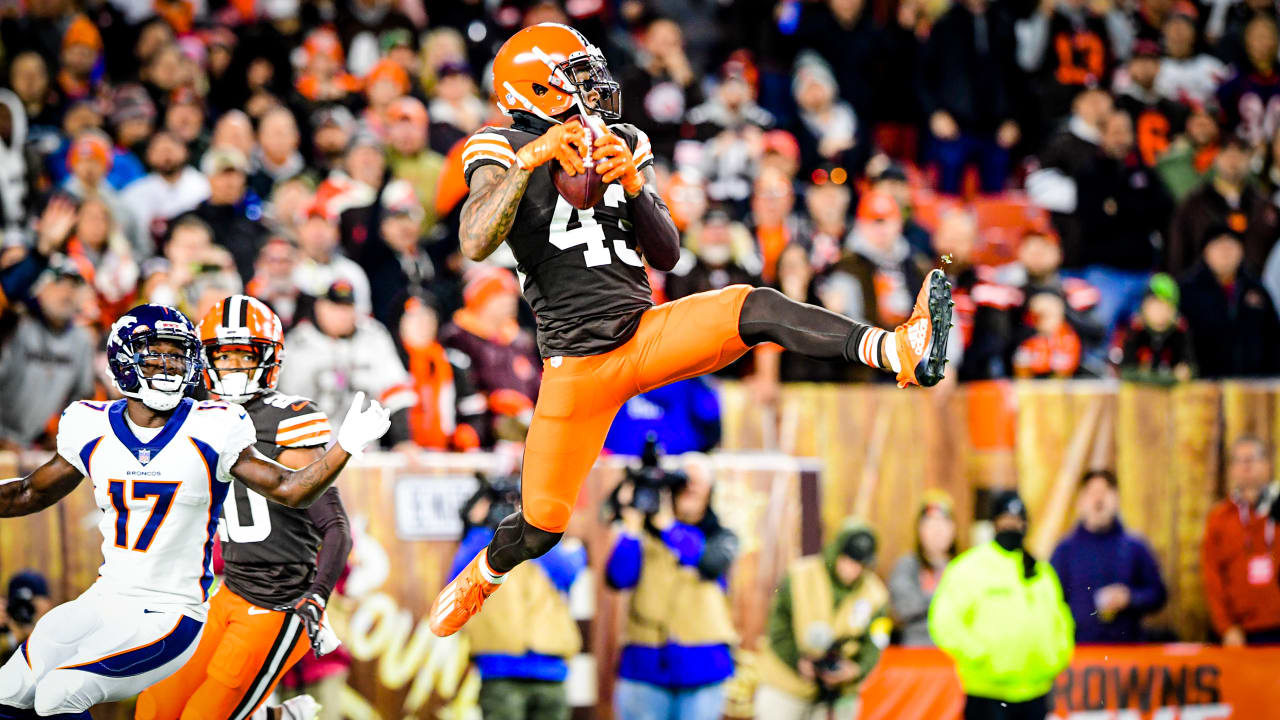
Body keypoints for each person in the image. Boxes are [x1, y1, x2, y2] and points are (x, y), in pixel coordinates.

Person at [428, 23, 953, 638]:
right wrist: (528, 163)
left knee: (752, 306)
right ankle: (484, 573)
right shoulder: (497, 145)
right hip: (575, 368)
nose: (593, 87)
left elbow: (668, 253)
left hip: (643, 331)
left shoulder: (619, 138)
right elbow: (474, 238)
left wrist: (634, 186)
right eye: (576, 75)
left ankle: (897, 349)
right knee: (543, 525)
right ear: (538, 87)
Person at [0, 304, 389, 716]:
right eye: (155, 355)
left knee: (63, 692)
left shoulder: (218, 423)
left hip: (181, 609)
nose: (167, 366)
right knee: (11, 687)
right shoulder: (88, 422)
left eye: (176, 355)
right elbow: (27, 493)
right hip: (119, 595)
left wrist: (345, 447)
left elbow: (292, 492)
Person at [137, 296, 353, 720]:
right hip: (228, 592)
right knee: (154, 707)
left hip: (278, 603)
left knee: (204, 715)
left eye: (244, 356)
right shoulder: (197, 418)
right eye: (224, 356)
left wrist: (318, 597)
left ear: (268, 358)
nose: (234, 367)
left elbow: (336, 526)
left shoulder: (289, 419)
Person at [607, 455, 737, 720]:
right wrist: (631, 527)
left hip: (702, 665)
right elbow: (618, 578)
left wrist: (667, 525)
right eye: (684, 483)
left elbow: (708, 563)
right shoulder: (644, 536)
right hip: (645, 665)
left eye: (698, 485)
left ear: (711, 492)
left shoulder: (722, 536)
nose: (690, 489)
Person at [929, 490, 1074, 720]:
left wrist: (1057, 656)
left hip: (1036, 691)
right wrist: (978, 654)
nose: (1012, 527)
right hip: (988, 692)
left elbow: (1061, 618)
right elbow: (944, 621)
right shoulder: (970, 567)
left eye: (1018, 521)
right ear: (994, 524)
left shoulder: (1040, 570)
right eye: (1005, 521)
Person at [453, 475, 585, 720]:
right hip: (501, 670)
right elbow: (458, 585)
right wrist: (483, 528)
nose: (505, 510)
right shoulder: (480, 541)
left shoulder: (546, 540)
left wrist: (529, 531)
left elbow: (569, 573)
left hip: (550, 669)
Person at [755, 521, 889, 720]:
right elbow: (777, 627)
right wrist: (798, 661)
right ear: (836, 551)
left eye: (860, 563)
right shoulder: (800, 574)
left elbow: (876, 642)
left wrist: (855, 670)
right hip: (785, 685)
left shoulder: (876, 594)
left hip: (838, 694)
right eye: (848, 558)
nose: (852, 568)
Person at [279, 280, 417, 429]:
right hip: (311, 439)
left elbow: (396, 389)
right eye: (336, 308)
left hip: (363, 441)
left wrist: (403, 440)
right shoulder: (299, 342)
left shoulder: (373, 335)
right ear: (319, 307)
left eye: (347, 308)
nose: (342, 315)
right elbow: (286, 402)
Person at [917, 0, 1022, 194]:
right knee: (947, 195)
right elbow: (923, 76)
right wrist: (935, 113)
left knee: (997, 200)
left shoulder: (1004, 23)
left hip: (996, 129)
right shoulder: (944, 24)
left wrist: (1014, 119)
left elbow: (1016, 79)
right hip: (953, 126)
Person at [1050, 470, 1168, 643]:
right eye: (1092, 493)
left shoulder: (1136, 547)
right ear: (1081, 502)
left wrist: (1130, 598)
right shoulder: (1064, 551)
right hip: (1080, 656)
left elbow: (1158, 594)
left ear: (1117, 499)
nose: (1098, 499)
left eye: (1104, 492)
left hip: (1127, 655)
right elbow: (1050, 601)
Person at [0, 259, 96, 448]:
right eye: (58, 283)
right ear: (40, 289)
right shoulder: (16, 326)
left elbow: (81, 398)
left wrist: (61, 435)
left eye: (73, 286)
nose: (66, 293)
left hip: (33, 445)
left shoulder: (82, 340)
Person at [1202, 436, 1280, 645]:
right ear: (1231, 470)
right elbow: (1212, 578)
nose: (1246, 466)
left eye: (1252, 459)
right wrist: (1225, 627)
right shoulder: (1219, 518)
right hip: (1239, 634)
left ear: (1266, 465)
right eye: (1239, 461)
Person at [1166, 136, 1280, 278]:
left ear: (1249, 158)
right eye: (1226, 152)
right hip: (1204, 291)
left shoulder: (1266, 207)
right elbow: (1177, 257)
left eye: (1240, 153)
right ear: (1216, 157)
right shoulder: (1193, 206)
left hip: (1255, 291)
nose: (1233, 160)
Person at [1178, 227, 1280, 378]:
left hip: (1253, 384)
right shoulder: (1187, 290)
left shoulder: (1256, 290)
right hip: (1203, 383)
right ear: (1205, 251)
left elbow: (1273, 338)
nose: (1225, 253)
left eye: (1231, 246)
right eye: (1219, 246)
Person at [889, 491, 957, 647]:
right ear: (920, 530)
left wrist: (925, 602)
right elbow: (905, 607)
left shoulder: (962, 567)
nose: (937, 531)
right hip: (916, 651)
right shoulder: (907, 566)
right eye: (931, 523)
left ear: (953, 529)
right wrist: (948, 599)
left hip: (953, 651)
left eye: (943, 523)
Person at [1110, 273, 1195, 383]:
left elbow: (1190, 369)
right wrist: (1170, 378)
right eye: (1154, 304)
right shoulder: (1135, 331)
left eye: (1165, 305)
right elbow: (1126, 372)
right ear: (1144, 307)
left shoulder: (1180, 332)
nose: (1159, 310)